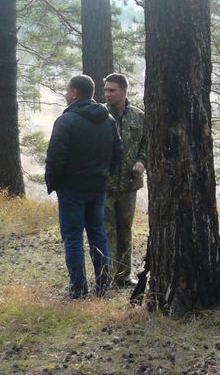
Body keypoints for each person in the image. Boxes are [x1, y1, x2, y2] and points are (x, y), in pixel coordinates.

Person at [45, 74, 122, 298]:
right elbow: (118, 153)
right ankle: (103, 287)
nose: (65, 94)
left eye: (67, 90)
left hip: (72, 189)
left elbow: (55, 157)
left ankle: (78, 289)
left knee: (73, 239)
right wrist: (104, 176)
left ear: (75, 93)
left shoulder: (66, 121)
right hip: (97, 188)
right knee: (98, 235)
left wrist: (54, 183)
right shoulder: (108, 120)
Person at [102, 73, 147, 287]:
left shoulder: (139, 117)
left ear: (124, 91)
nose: (107, 94)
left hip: (129, 184)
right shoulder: (100, 115)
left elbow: (147, 143)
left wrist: (142, 161)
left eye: (112, 90)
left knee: (125, 231)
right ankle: (107, 276)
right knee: (106, 231)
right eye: (106, 90)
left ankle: (124, 275)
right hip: (105, 185)